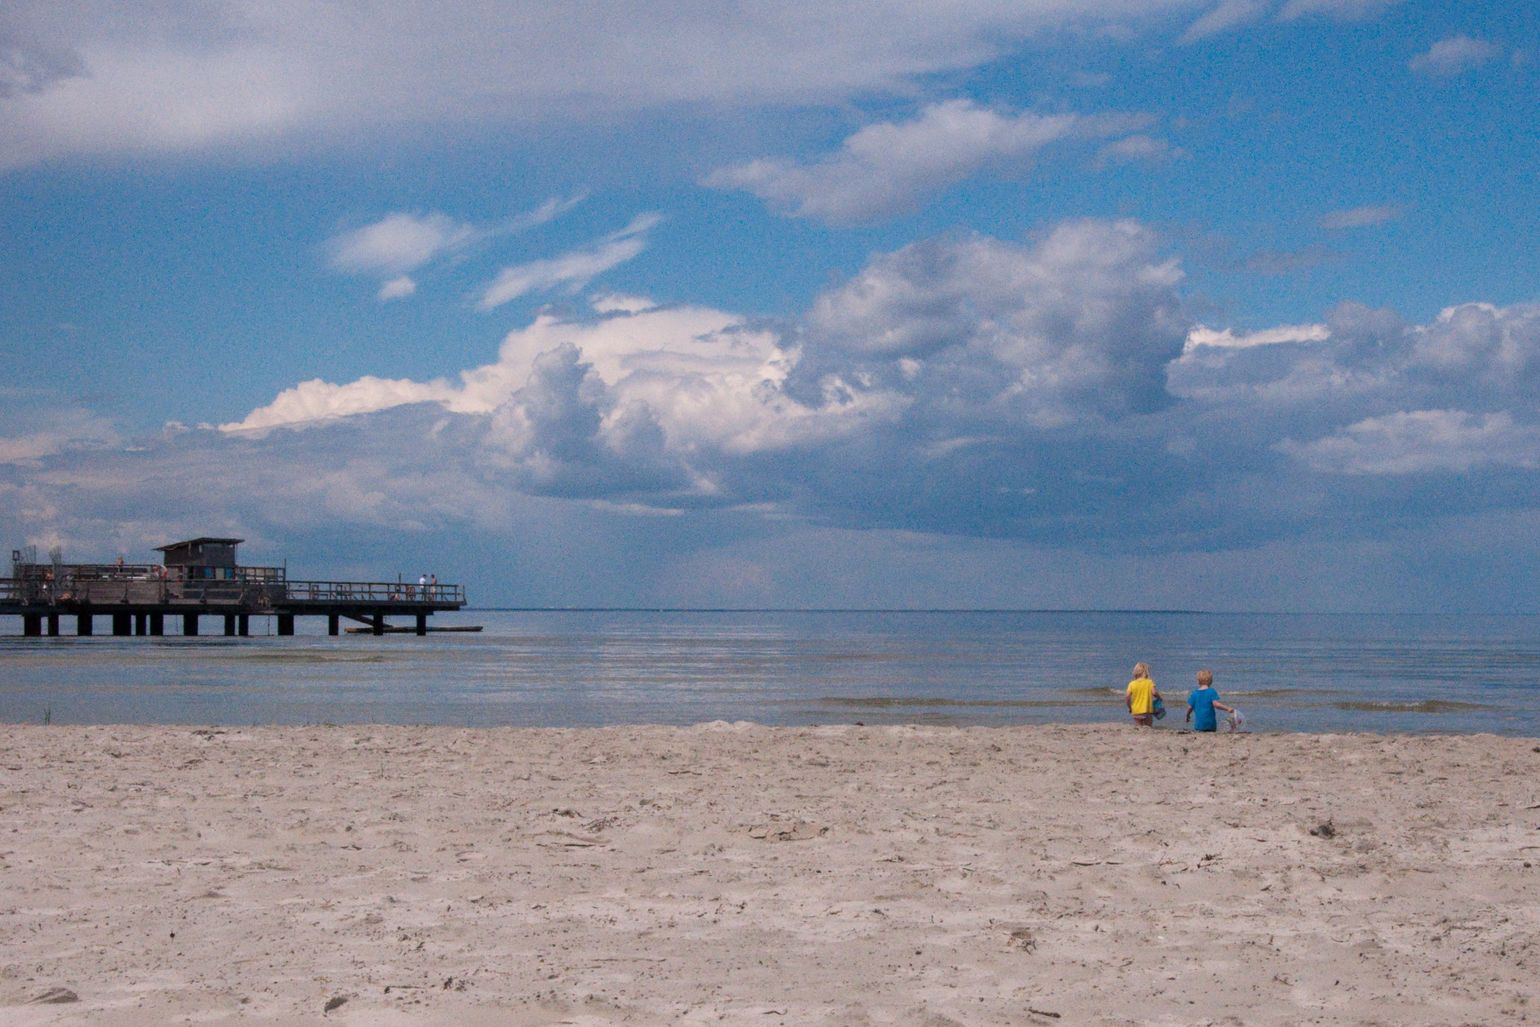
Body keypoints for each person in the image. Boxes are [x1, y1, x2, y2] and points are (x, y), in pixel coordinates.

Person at [1126, 662, 1161, 727]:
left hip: (1136, 711)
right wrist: (1159, 698)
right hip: (1147, 711)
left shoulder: (1131, 684)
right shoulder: (1149, 682)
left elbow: (1127, 697)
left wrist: (1130, 707)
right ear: (1146, 672)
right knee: (1148, 727)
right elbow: (1154, 693)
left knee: (1139, 728)